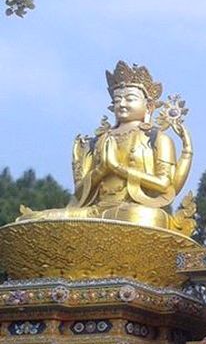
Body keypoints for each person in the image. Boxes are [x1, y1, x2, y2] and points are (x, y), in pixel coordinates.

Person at [17, 61, 195, 234]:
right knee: (38, 220)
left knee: (146, 217)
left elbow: (165, 185)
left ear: (148, 106)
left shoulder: (157, 139)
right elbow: (79, 192)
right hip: (93, 211)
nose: (122, 104)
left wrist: (118, 168)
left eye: (129, 99)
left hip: (131, 211)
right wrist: (101, 170)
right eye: (117, 100)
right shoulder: (98, 141)